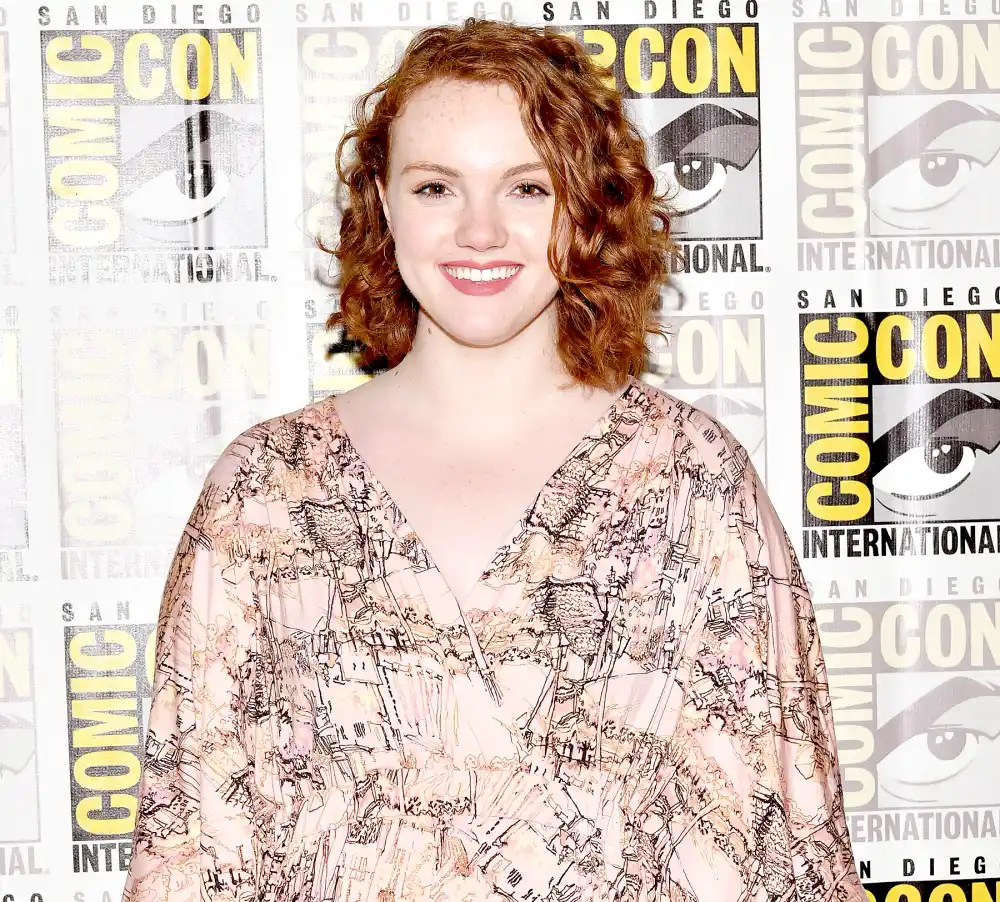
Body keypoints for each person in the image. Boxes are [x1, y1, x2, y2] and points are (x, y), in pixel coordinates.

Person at [122, 17, 868, 902]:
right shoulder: (266, 490)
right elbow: (190, 848)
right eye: (438, 186)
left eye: (526, 187)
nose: (480, 230)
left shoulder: (694, 484)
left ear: (583, 207)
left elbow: (785, 847)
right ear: (384, 203)